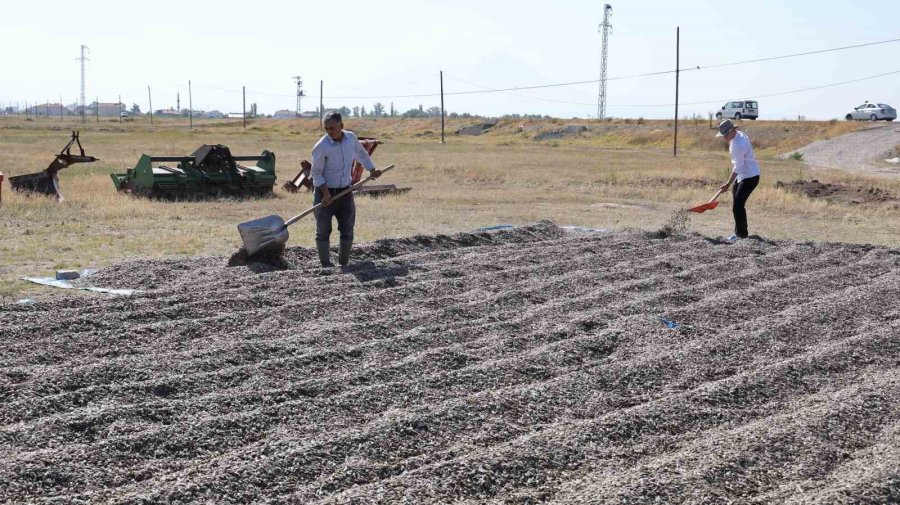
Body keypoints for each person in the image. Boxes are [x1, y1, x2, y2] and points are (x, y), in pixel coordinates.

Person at [310, 111, 382, 267]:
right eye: (327, 129)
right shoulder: (321, 146)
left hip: (346, 192)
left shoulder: (351, 138)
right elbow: (316, 173)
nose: (330, 132)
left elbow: (361, 155)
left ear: (341, 126)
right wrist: (326, 193)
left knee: (347, 228)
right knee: (323, 230)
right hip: (324, 194)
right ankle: (326, 266)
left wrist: (372, 169)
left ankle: (344, 263)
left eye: (333, 128)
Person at [716, 119, 760, 241]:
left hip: (750, 177)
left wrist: (728, 184)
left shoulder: (738, 145)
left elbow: (737, 167)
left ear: (731, 131)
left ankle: (742, 236)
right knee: (737, 205)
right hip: (742, 175)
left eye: (725, 135)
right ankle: (739, 234)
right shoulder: (739, 135)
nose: (724, 138)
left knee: (738, 206)